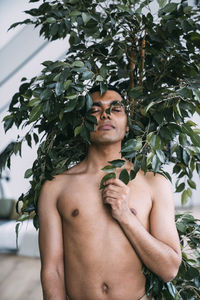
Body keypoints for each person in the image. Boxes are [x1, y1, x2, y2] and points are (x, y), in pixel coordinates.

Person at [38, 85, 182, 300]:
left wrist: (126, 217)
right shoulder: (56, 187)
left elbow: (169, 269)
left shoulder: (154, 184)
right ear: (83, 124)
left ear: (127, 126)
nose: (105, 114)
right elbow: (52, 270)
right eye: (95, 110)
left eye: (116, 109)